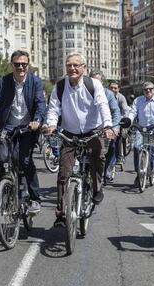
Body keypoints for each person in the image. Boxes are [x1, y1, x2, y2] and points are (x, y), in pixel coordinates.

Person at [44, 52, 115, 226]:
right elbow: (53, 108)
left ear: (84, 68)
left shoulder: (93, 84)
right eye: (69, 65)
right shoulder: (60, 87)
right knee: (63, 173)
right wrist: (51, 124)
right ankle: (61, 215)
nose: (72, 68)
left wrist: (107, 125)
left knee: (98, 157)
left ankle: (97, 188)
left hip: (93, 131)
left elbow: (102, 104)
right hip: (69, 134)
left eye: (76, 65)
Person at [0, 50, 46, 213]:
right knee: (2, 158)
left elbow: (40, 102)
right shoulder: (3, 81)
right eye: (17, 64)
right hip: (7, 126)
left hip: (27, 126)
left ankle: (34, 198)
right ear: (12, 65)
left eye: (24, 64)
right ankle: (7, 191)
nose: (21, 67)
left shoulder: (35, 81)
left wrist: (37, 120)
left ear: (28, 65)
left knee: (25, 161)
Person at [128, 82, 154, 185]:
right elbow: (133, 112)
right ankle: (139, 174)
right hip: (141, 129)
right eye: (146, 89)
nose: (148, 91)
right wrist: (129, 120)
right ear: (143, 91)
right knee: (137, 148)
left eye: (150, 89)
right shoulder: (138, 100)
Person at [88, 71, 120, 183]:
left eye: (98, 81)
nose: (95, 83)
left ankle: (104, 173)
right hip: (87, 128)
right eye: (92, 81)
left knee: (106, 151)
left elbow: (116, 112)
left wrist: (115, 127)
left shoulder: (109, 94)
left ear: (102, 82)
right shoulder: (84, 91)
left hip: (104, 128)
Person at [109, 80, 131, 167]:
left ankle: (119, 156)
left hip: (119, 120)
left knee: (119, 136)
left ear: (119, 89)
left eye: (115, 88)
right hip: (108, 120)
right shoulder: (105, 95)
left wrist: (124, 119)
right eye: (111, 88)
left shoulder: (121, 98)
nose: (113, 90)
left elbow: (125, 110)